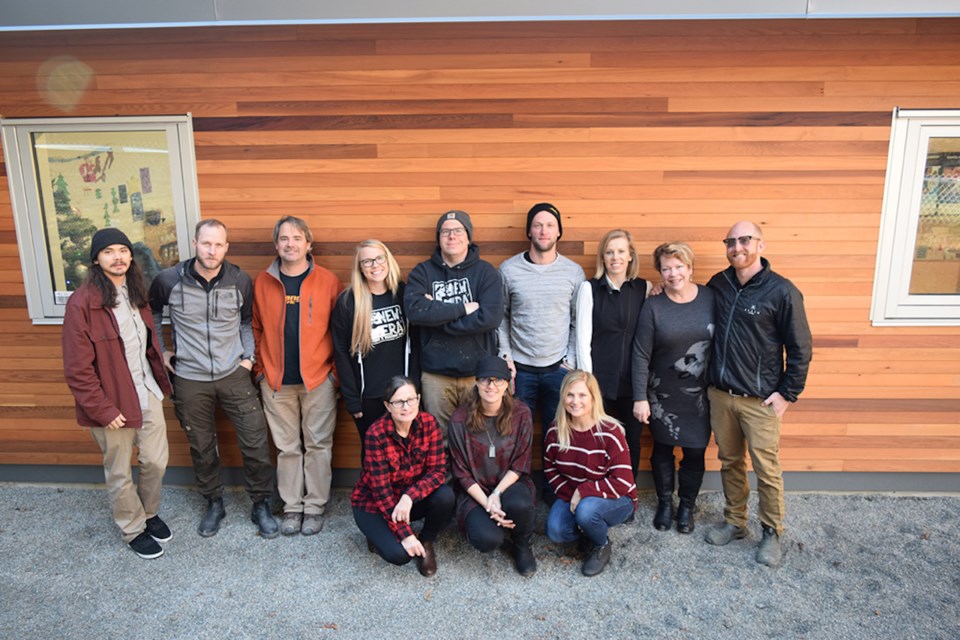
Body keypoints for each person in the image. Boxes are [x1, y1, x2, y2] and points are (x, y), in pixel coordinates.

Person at [149, 219, 278, 539]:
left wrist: (248, 358)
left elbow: (247, 321)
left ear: (226, 247)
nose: (212, 250)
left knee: (255, 440)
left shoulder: (238, 279)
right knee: (202, 445)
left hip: (234, 372)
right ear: (195, 244)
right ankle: (214, 503)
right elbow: (150, 314)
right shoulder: (169, 280)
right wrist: (162, 351)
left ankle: (260, 503)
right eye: (207, 243)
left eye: (219, 244)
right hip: (189, 377)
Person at [703, 221, 813, 568]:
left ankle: (771, 531)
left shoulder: (782, 292)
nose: (737, 247)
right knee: (730, 461)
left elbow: (800, 348)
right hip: (722, 395)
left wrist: (787, 394)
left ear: (760, 245)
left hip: (760, 400)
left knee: (767, 468)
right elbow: (690, 307)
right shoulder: (718, 285)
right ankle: (735, 521)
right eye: (731, 242)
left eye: (745, 240)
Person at [62, 228, 173, 559]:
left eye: (123, 250)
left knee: (156, 460)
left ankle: (148, 514)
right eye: (108, 251)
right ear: (96, 259)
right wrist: (102, 409)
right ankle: (132, 527)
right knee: (120, 469)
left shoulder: (136, 293)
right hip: (111, 402)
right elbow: (77, 369)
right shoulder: (81, 304)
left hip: (146, 389)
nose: (118, 257)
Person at [253, 216, 342, 536]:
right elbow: (256, 327)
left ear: (308, 243)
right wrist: (261, 372)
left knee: (319, 445)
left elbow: (340, 330)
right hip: (276, 382)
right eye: (284, 239)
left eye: (297, 238)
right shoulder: (263, 282)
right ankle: (292, 507)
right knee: (288, 448)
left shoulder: (328, 281)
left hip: (318, 380)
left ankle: (315, 506)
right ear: (276, 245)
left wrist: (333, 375)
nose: (290, 244)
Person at [498, 202, 585, 499]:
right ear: (528, 231)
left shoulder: (573, 273)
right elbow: (501, 318)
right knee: (515, 433)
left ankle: (553, 491)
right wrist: (506, 356)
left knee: (556, 433)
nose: (543, 230)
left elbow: (579, 321)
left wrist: (570, 360)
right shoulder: (509, 270)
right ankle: (518, 492)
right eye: (537, 225)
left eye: (550, 225)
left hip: (557, 369)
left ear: (559, 231)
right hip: (519, 369)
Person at [632, 242, 714, 534]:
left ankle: (687, 507)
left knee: (695, 452)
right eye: (666, 268)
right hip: (661, 393)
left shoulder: (710, 297)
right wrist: (640, 397)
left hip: (700, 395)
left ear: (690, 268)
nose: (673, 273)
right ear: (660, 272)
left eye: (679, 266)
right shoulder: (653, 305)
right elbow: (641, 353)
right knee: (662, 449)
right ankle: (666, 503)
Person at [405, 210, 503, 437]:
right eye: (445, 231)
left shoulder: (486, 272)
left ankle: (473, 475)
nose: (452, 236)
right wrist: (463, 309)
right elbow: (415, 312)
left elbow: (490, 318)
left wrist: (437, 318)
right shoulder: (423, 272)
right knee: (441, 439)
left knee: (478, 436)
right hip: (435, 376)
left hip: (477, 374)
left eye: (458, 230)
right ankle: (445, 476)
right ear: (438, 238)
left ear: (468, 237)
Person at [351, 376, 454, 577]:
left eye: (411, 400)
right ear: (388, 406)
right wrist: (406, 535)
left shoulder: (428, 423)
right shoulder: (376, 434)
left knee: (445, 496)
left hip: (408, 500)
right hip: (374, 504)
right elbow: (381, 493)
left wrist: (409, 497)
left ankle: (426, 540)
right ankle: (377, 533)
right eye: (398, 402)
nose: (406, 407)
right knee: (400, 555)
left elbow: (438, 471)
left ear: (418, 399)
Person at [448, 356, 537, 576]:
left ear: (507, 384)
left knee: (519, 504)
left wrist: (497, 493)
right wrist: (488, 503)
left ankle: (521, 543)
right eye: (486, 380)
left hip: (509, 483)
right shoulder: (460, 419)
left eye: (498, 380)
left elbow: (520, 462)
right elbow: (461, 472)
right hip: (475, 490)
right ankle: (489, 523)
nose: (491, 386)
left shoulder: (521, 413)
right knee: (487, 540)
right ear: (477, 383)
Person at [543, 370, 637, 577]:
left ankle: (601, 544)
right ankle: (588, 530)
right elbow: (550, 469)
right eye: (570, 395)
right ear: (562, 397)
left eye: (582, 395)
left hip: (617, 498)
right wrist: (573, 497)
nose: (575, 401)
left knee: (586, 511)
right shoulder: (555, 431)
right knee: (556, 530)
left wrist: (583, 492)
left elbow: (622, 482)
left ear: (593, 398)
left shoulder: (610, 432)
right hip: (575, 496)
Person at [332, 240, 416, 463]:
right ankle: (374, 497)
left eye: (379, 258)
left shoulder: (404, 294)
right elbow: (340, 351)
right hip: (368, 396)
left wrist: (415, 389)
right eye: (367, 261)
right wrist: (352, 399)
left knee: (405, 450)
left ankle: (405, 498)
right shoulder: (348, 302)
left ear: (388, 260)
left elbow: (415, 346)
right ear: (360, 267)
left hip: (403, 394)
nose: (374, 265)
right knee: (374, 455)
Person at [575, 228, 649, 478]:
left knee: (632, 441)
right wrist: (588, 384)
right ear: (602, 257)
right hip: (600, 381)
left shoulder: (644, 289)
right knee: (598, 440)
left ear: (630, 256)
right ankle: (597, 490)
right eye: (609, 252)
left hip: (634, 381)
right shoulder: (589, 289)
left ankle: (629, 493)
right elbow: (582, 339)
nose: (615, 257)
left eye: (620, 251)